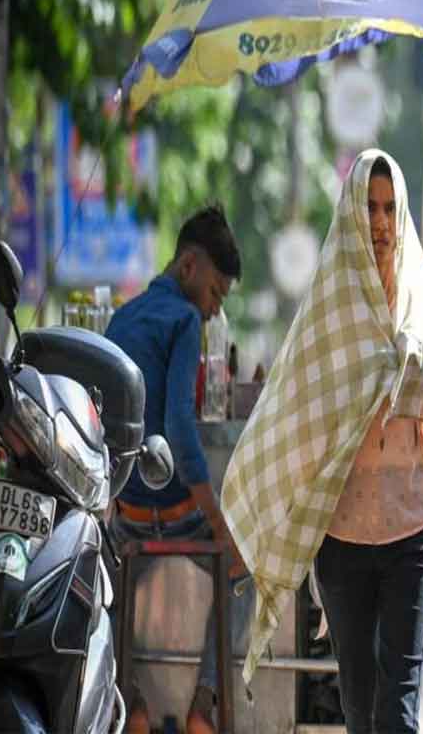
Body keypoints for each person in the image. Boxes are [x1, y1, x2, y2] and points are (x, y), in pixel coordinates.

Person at [220, 150, 423, 733]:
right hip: (341, 541)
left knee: (399, 711)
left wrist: (415, 374)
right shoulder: (326, 312)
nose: (381, 221)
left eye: (391, 208)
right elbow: (296, 409)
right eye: (369, 207)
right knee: (361, 711)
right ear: (349, 214)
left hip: (412, 534)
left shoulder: (420, 306)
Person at [104, 205, 254, 734]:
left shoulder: (122, 318)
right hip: (175, 514)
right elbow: (178, 427)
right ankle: (205, 703)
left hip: (129, 518)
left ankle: (132, 697)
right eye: (215, 291)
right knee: (244, 570)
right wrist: (216, 520)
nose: (214, 310)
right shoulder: (184, 320)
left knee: (100, 574)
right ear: (189, 266)